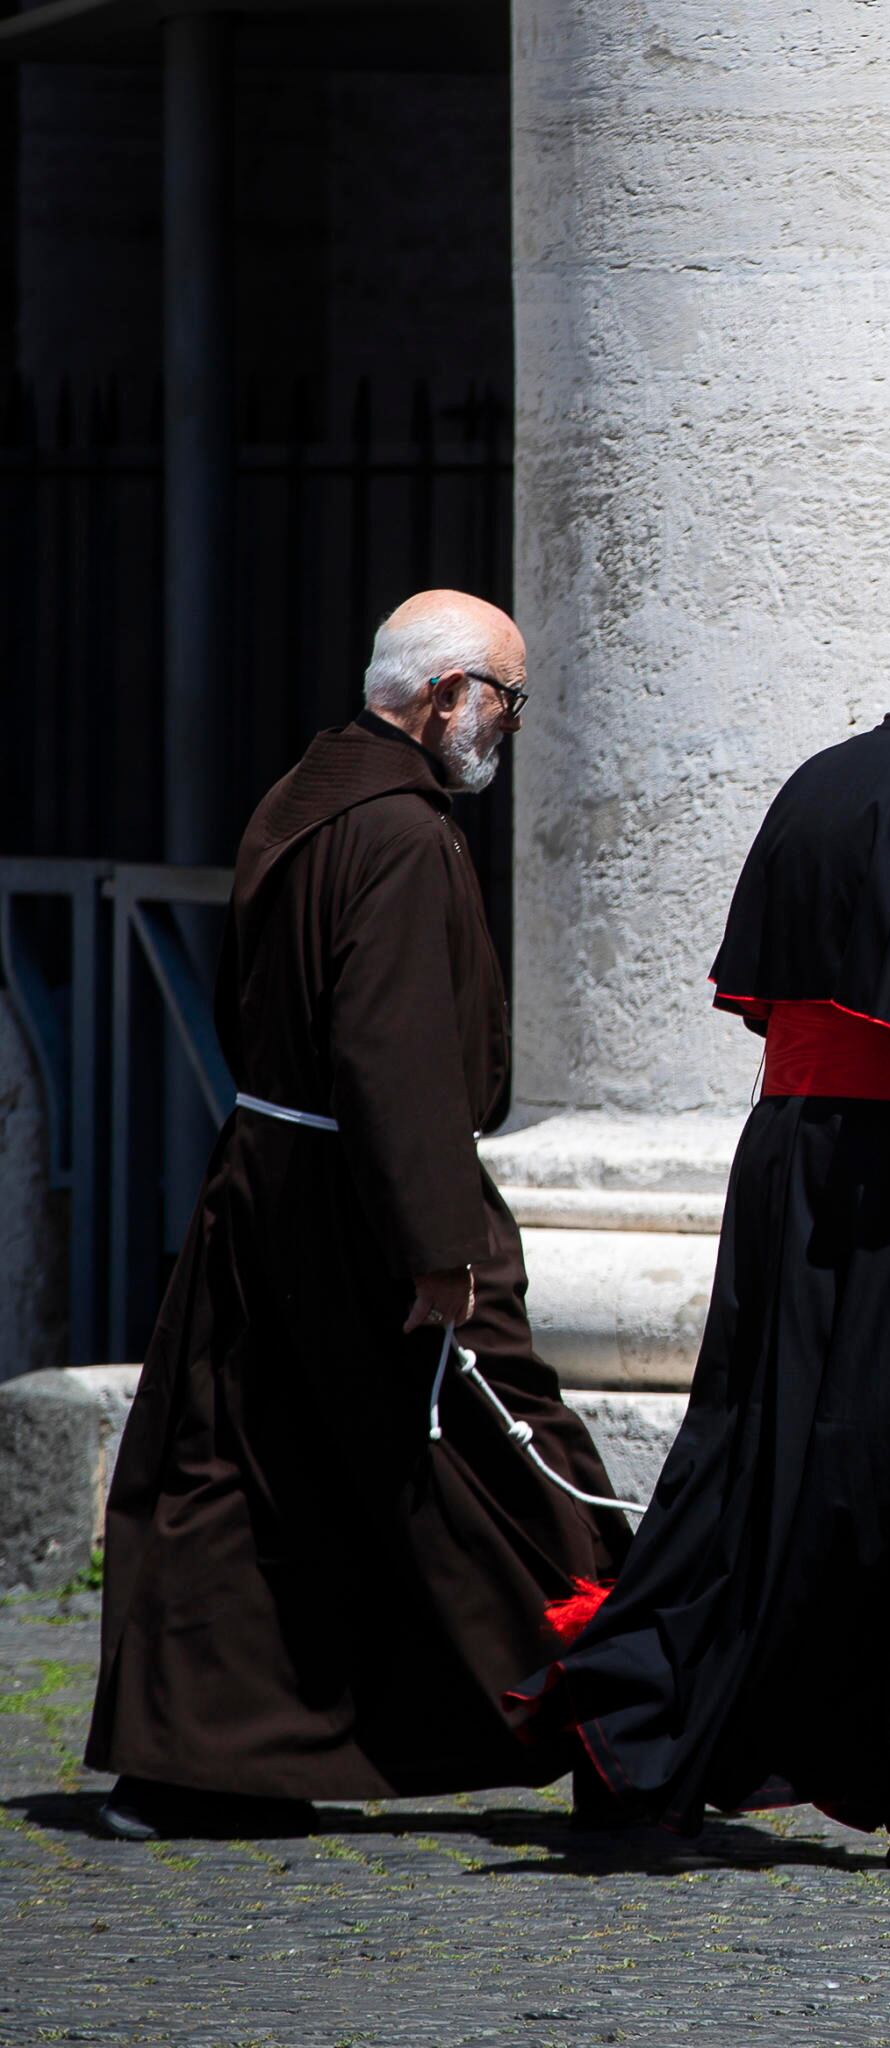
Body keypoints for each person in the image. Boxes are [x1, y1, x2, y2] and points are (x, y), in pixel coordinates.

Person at [512, 583, 890, 1875]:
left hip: (791, 1164)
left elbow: (779, 1001)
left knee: (759, 1464)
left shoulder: (817, 784)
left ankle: (643, 1753)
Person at [86, 591, 631, 1840]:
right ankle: (631, 1724)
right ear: (445, 694)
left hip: (271, 1180)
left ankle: (197, 1760)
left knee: (245, 1465)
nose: (510, 722)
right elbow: (394, 1054)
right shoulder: (396, 833)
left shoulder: (302, 794)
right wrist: (439, 1248)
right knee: (512, 1462)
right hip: (373, 1208)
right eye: (506, 695)